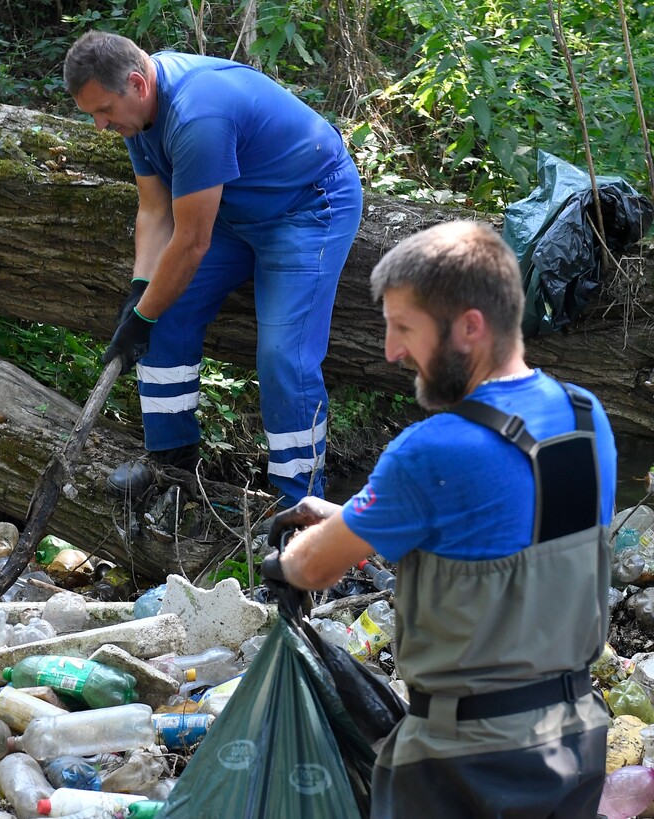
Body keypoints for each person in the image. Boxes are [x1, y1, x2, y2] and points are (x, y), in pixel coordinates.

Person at [263, 220, 615, 817]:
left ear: (470, 327)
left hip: (466, 763)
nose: (391, 351)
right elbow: (500, 541)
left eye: (405, 328)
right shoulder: (585, 417)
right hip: (573, 739)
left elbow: (315, 567)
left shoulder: (434, 449)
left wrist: (286, 560)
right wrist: (352, 518)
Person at [63, 31, 363, 507]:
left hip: (307, 208)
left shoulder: (197, 112)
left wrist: (142, 315)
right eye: (93, 115)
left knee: (284, 356)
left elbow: (191, 242)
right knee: (163, 314)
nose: (100, 125)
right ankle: (172, 470)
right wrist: (142, 292)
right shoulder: (139, 115)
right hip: (233, 211)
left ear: (137, 84)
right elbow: (155, 210)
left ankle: (301, 505)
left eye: (104, 111)